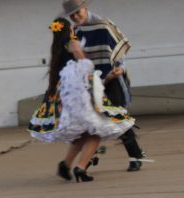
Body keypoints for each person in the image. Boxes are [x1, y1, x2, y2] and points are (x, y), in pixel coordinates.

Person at [28, 16, 135, 182]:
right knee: (96, 132)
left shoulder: (57, 48)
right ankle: (81, 168)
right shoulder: (73, 43)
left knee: (83, 134)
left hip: (66, 97)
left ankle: (65, 164)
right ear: (69, 29)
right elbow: (85, 64)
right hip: (80, 95)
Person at [63, 0, 147, 171]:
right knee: (92, 121)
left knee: (117, 116)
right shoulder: (75, 32)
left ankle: (135, 156)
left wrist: (120, 68)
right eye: (72, 15)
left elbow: (118, 51)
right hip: (91, 82)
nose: (76, 17)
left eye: (78, 12)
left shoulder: (103, 24)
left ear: (85, 8)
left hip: (112, 78)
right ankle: (89, 158)